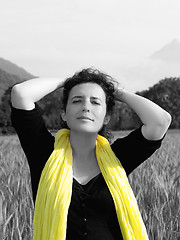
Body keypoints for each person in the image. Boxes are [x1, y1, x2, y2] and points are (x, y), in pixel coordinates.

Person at [11, 68, 171, 240]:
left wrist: (115, 91)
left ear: (106, 117)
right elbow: (21, 94)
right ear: (64, 113)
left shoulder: (117, 158)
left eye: (95, 102)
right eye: (77, 101)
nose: (86, 107)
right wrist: (69, 81)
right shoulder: (44, 153)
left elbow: (160, 121)